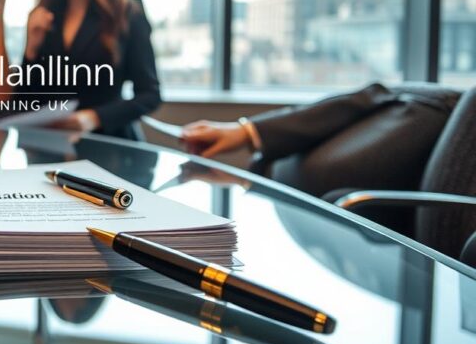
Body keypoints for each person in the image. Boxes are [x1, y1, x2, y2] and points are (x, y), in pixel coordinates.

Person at [180, 82, 460, 233]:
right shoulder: (423, 104)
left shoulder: (436, 109)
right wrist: (246, 132)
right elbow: (372, 96)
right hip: (273, 195)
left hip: (300, 212)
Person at [21, 0, 161, 139]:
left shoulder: (126, 12)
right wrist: (31, 50)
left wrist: (93, 117)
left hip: (112, 144)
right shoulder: (44, 16)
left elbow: (149, 95)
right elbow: (24, 101)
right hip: (52, 148)